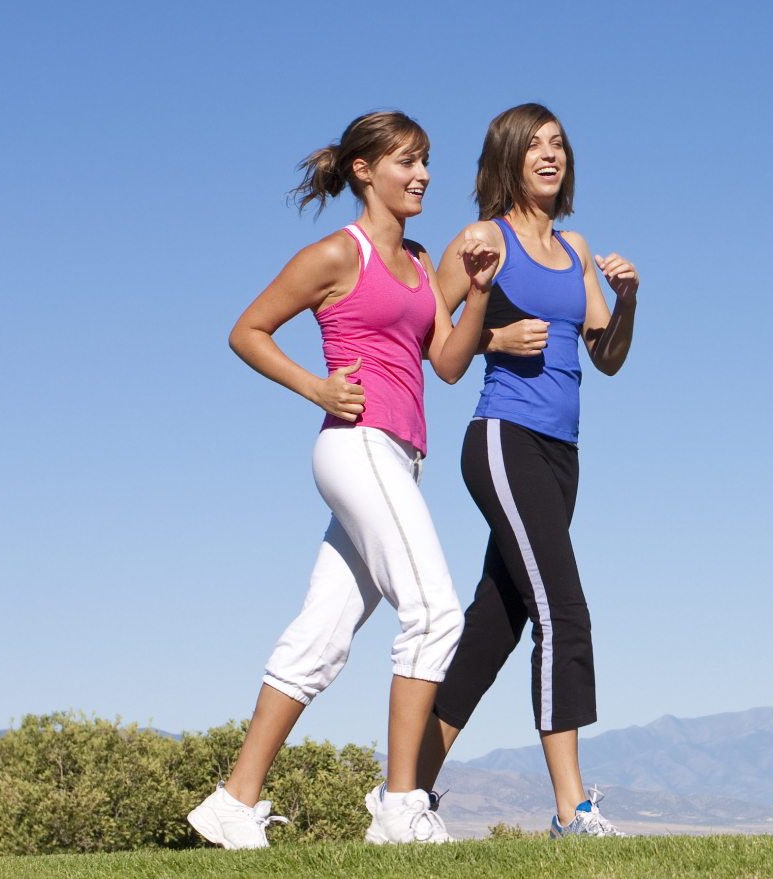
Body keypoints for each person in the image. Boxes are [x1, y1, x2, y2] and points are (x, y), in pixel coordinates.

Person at [186, 110, 498, 849]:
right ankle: (398, 803)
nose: (422, 174)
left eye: (425, 162)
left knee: (320, 637)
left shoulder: (422, 262)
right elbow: (247, 330)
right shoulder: (336, 253)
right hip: (356, 445)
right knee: (434, 611)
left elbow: (446, 364)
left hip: (401, 459)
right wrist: (317, 388)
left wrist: (478, 291)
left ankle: (234, 799)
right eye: (406, 162)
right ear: (364, 170)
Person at [415, 103, 639, 838]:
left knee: (494, 625)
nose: (551, 155)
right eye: (535, 145)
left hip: (561, 453)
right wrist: (495, 337)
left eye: (559, 144)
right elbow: (433, 344)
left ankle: (405, 792)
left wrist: (628, 297)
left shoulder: (575, 249)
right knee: (563, 610)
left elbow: (606, 358)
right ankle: (572, 810)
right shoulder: (485, 240)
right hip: (503, 439)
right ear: (508, 158)